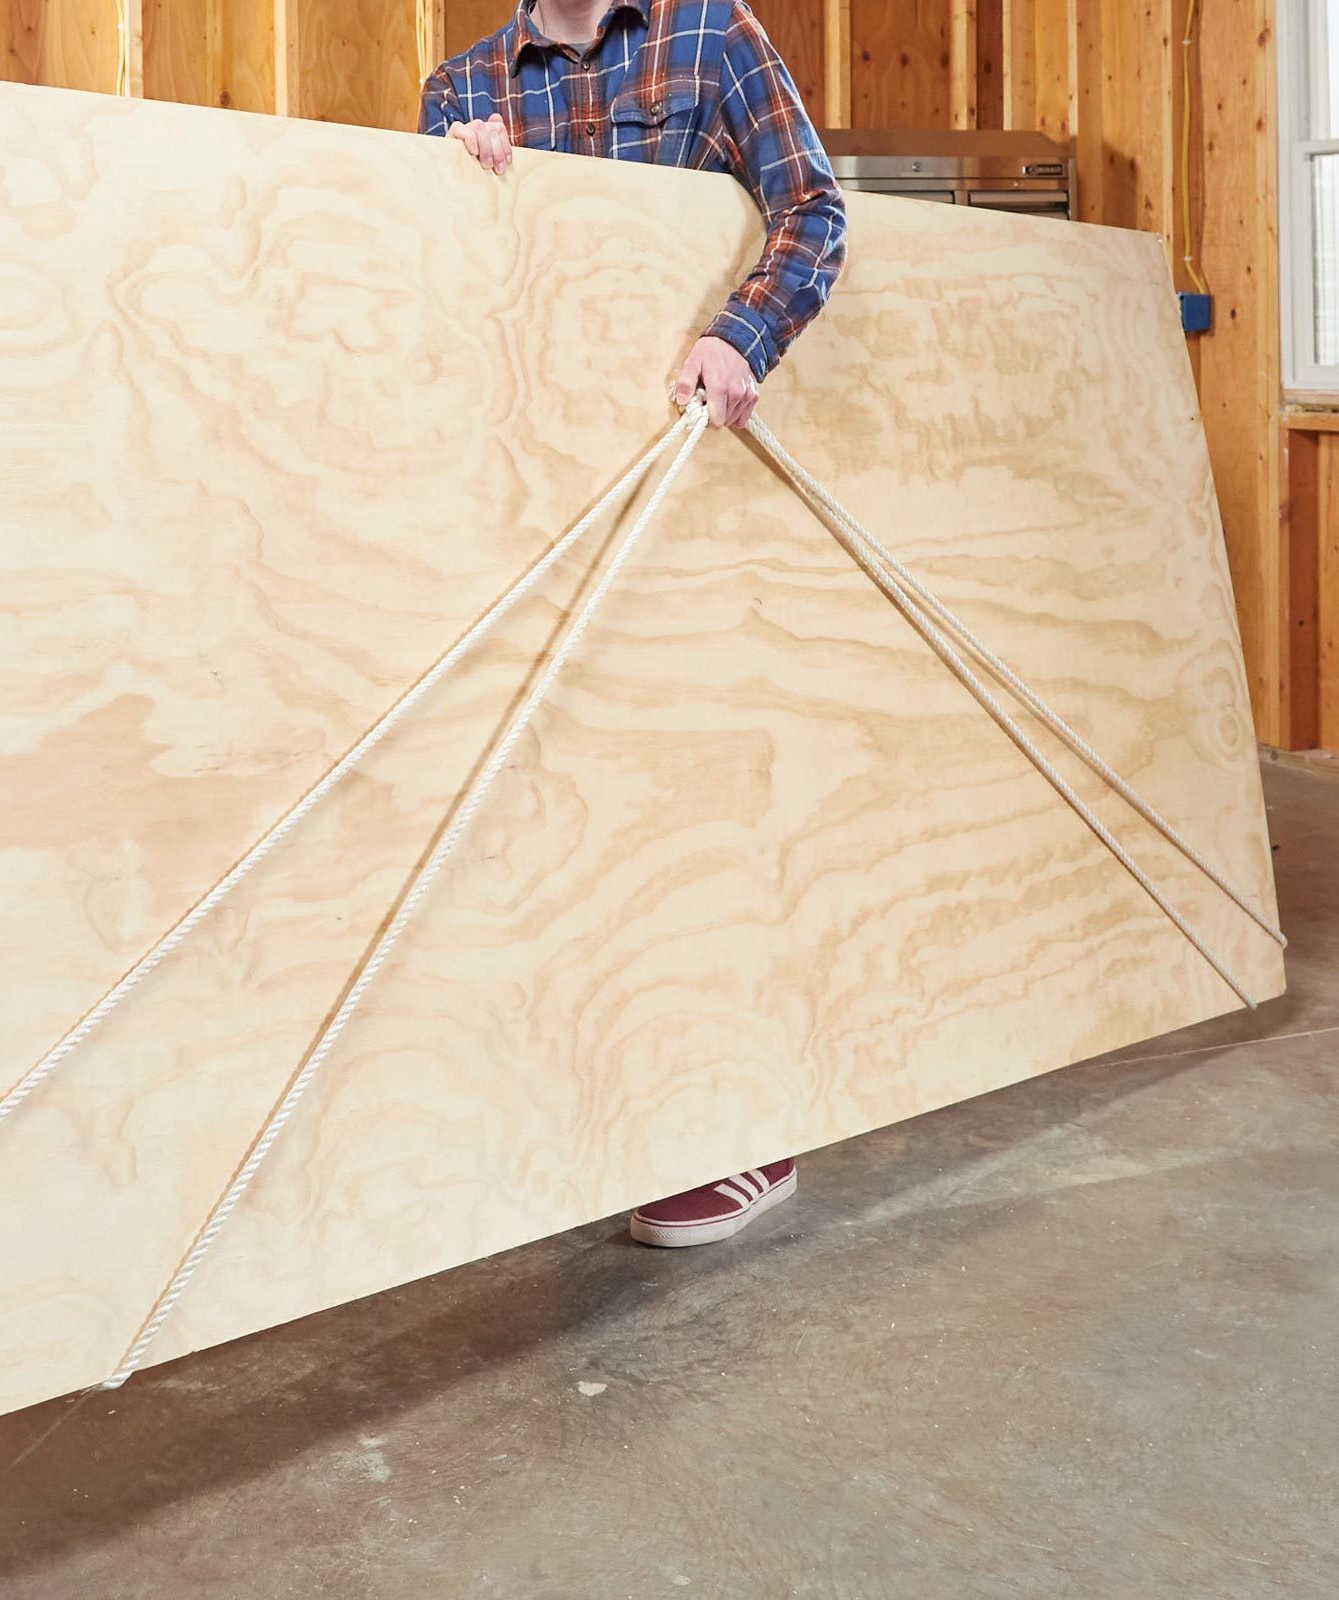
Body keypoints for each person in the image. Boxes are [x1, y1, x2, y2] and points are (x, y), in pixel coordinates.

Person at [419, 0, 847, 1246]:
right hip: (541, 499)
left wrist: (737, 329)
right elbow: (447, 305)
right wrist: (462, 199)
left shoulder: (711, 36)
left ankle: (738, 1118)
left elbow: (811, 209)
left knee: (706, 802)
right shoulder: (462, 87)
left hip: (700, 488)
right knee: (560, 814)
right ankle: (590, 1108)